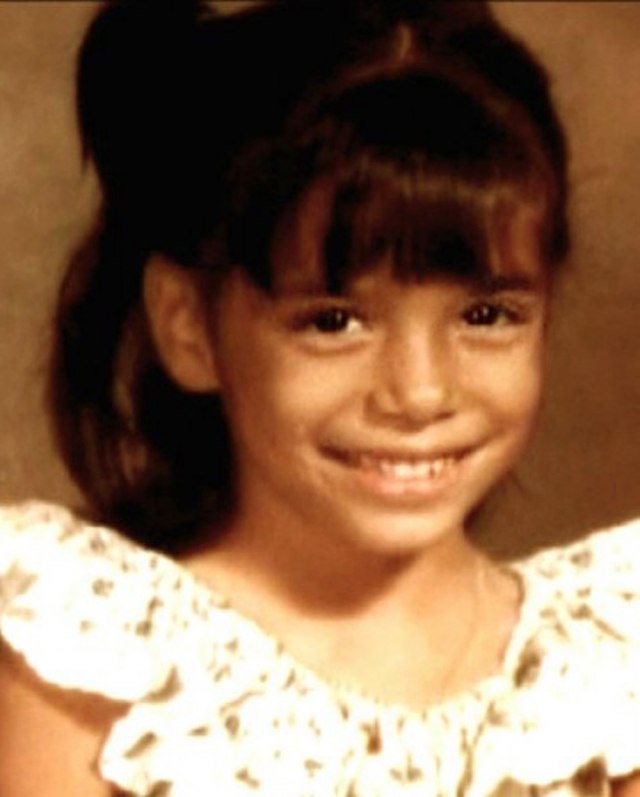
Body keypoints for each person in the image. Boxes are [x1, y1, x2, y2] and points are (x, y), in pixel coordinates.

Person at [1, 0, 640, 794]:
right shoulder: (95, 664)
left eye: (485, 316)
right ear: (188, 325)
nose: (420, 393)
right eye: (334, 322)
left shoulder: (607, 670)